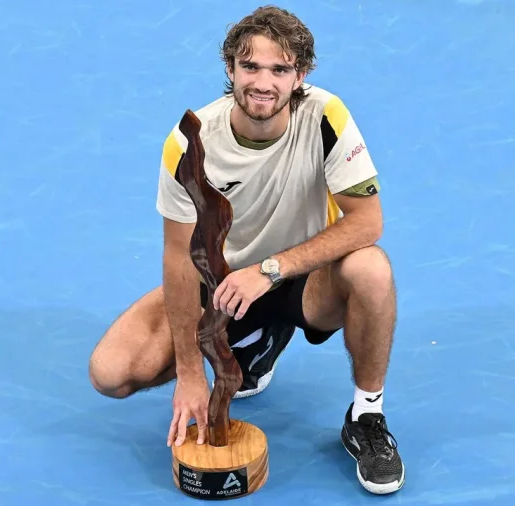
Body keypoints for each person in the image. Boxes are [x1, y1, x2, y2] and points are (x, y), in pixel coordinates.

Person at [88, 5, 404, 495]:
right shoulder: (190, 142)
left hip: (303, 280)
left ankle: (366, 416)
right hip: (223, 286)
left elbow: (368, 222)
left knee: (371, 269)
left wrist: (271, 270)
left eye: (280, 69)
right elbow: (178, 257)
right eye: (250, 66)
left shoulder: (326, 117)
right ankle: (259, 342)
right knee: (111, 373)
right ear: (230, 68)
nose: (263, 83)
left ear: (301, 75)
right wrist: (190, 373)